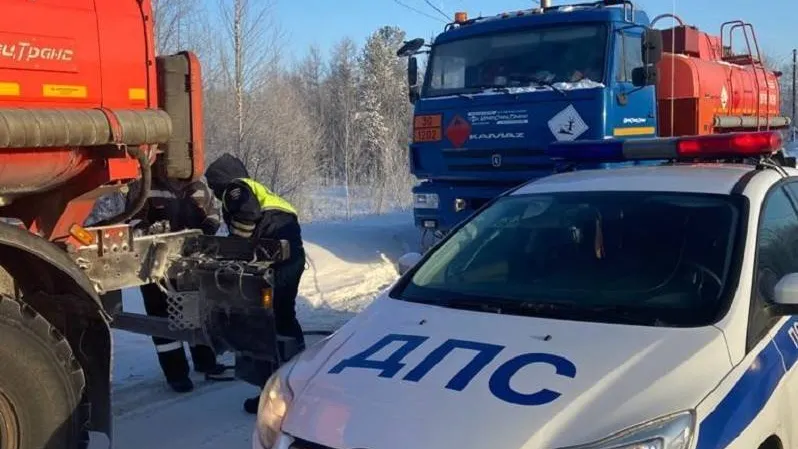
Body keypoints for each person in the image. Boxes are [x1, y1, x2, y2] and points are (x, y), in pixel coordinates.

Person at [204, 153, 306, 414]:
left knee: (267, 321)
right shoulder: (258, 189)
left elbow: (247, 215)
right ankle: (298, 377)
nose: (216, 193)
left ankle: (281, 390)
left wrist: (236, 249)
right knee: (282, 316)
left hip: (277, 262)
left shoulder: (236, 188)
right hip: (288, 258)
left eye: (214, 186)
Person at [129, 176, 235, 393]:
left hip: (190, 264)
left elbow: (213, 212)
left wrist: (208, 227)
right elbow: (131, 218)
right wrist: (148, 230)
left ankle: (206, 362)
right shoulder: (144, 184)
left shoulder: (198, 184)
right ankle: (176, 374)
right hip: (154, 267)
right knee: (162, 321)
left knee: (196, 314)